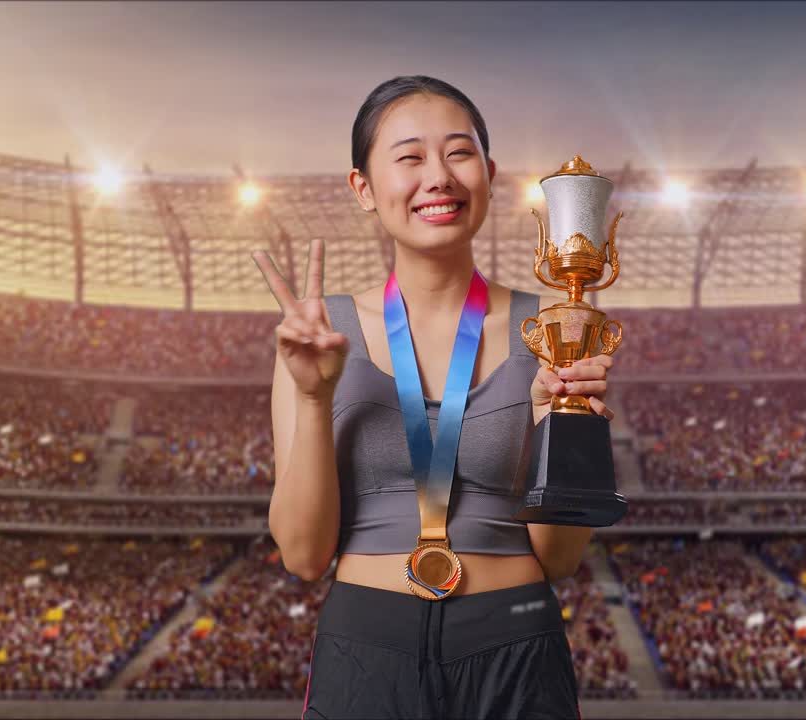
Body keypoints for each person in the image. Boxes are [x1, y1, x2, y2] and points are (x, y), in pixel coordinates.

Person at [252, 75, 616, 719]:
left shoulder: (556, 326)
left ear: (489, 172)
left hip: (517, 642)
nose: (438, 176)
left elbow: (558, 559)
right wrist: (313, 398)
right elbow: (305, 557)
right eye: (409, 157)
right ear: (363, 188)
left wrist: (563, 426)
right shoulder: (317, 333)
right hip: (366, 647)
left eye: (458, 152)